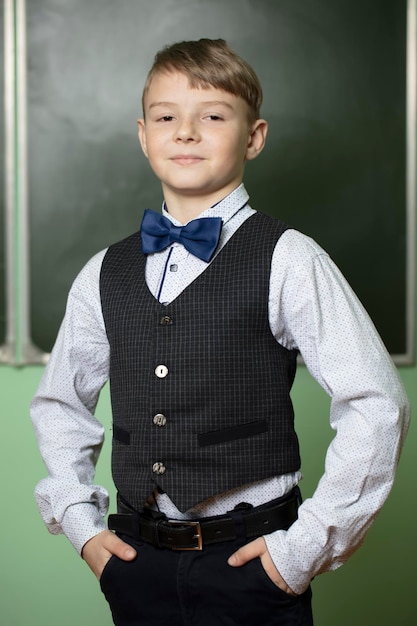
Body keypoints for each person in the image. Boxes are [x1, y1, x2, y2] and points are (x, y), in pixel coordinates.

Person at [31, 38, 410, 626]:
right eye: (166, 117)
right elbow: (60, 405)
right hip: (137, 564)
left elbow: (376, 403)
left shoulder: (289, 259)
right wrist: (82, 527)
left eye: (211, 115)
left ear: (254, 137)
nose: (185, 131)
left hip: (253, 560)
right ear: (142, 134)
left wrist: (301, 550)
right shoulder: (102, 272)